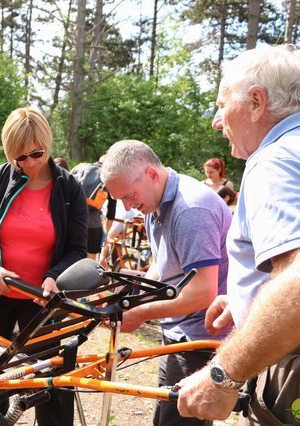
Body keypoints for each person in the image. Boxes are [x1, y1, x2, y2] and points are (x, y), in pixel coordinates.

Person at [176, 45, 300, 424]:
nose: (216, 120)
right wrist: (248, 297)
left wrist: (221, 375)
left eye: (222, 103)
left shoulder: (276, 160)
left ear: (257, 102)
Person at [0, 107, 87, 425]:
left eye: (37, 153)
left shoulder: (70, 188)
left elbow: (77, 249)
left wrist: (54, 277)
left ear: (48, 144)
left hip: (42, 300)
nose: (30, 163)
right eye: (20, 157)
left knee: (52, 382)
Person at [100, 140, 232, 426]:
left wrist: (142, 312)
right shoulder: (153, 203)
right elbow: (160, 265)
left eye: (129, 196)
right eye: (120, 200)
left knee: (178, 420)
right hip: (178, 329)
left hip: (199, 336)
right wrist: (135, 297)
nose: (128, 207)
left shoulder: (191, 209)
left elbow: (203, 293)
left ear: (151, 174)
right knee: (165, 415)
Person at [71, 159, 117, 261]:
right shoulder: (108, 176)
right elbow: (111, 211)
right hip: (94, 225)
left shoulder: (81, 167)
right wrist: (107, 232)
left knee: (71, 257)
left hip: (74, 221)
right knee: (89, 262)